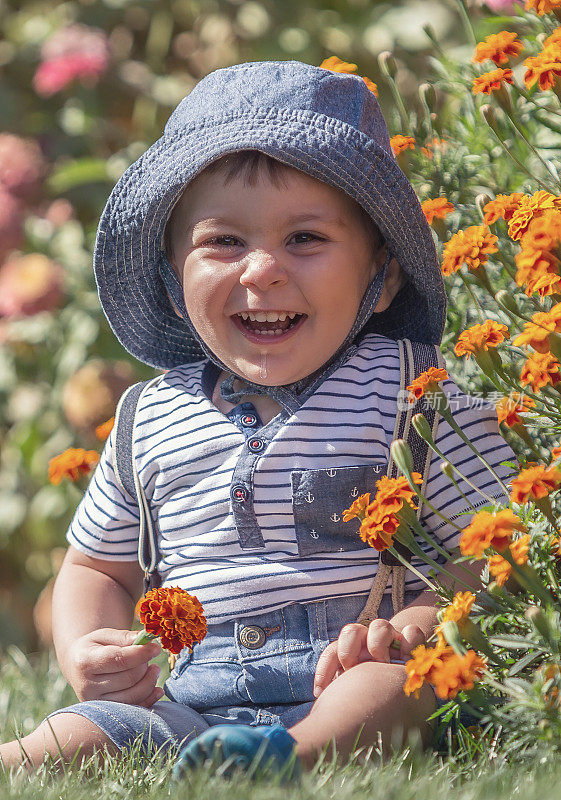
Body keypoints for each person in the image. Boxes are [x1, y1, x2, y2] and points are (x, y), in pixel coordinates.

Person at [0, 60, 514, 776]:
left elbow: (485, 558)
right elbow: (97, 567)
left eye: (305, 238)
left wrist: (415, 626)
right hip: (181, 696)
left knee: (388, 691)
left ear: (381, 274)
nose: (260, 271)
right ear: (173, 285)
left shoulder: (413, 394)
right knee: (82, 734)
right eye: (223, 242)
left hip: (346, 669)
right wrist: (88, 650)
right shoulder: (150, 416)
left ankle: (290, 758)